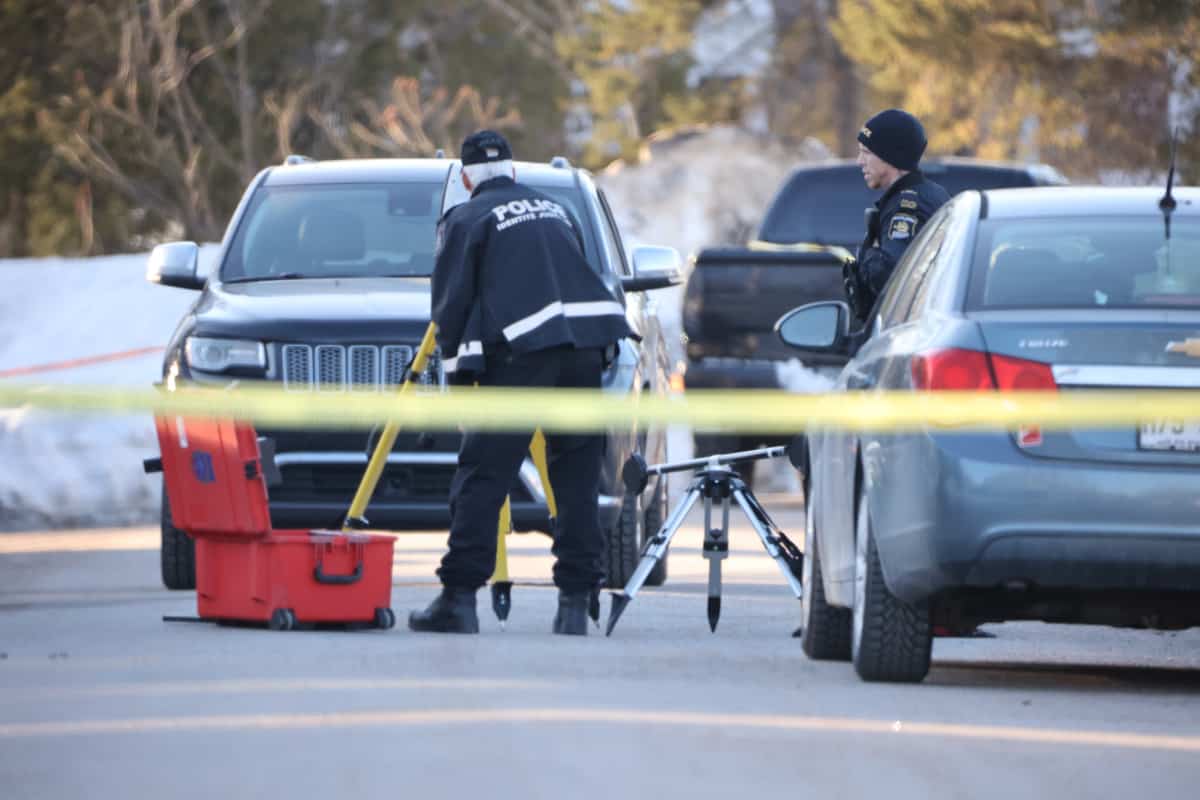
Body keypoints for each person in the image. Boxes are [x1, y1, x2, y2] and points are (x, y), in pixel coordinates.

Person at [409, 129, 634, 636]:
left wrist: (456, 382)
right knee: (575, 478)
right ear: (512, 171)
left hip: (521, 357)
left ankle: (459, 599)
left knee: (484, 475)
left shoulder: (464, 218)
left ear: (466, 178)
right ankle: (575, 603)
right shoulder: (558, 210)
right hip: (584, 348)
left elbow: (450, 307)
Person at [843, 109, 951, 321]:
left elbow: (892, 278)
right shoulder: (929, 194)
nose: (859, 161)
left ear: (890, 156)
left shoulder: (908, 207)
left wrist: (868, 255)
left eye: (866, 152)